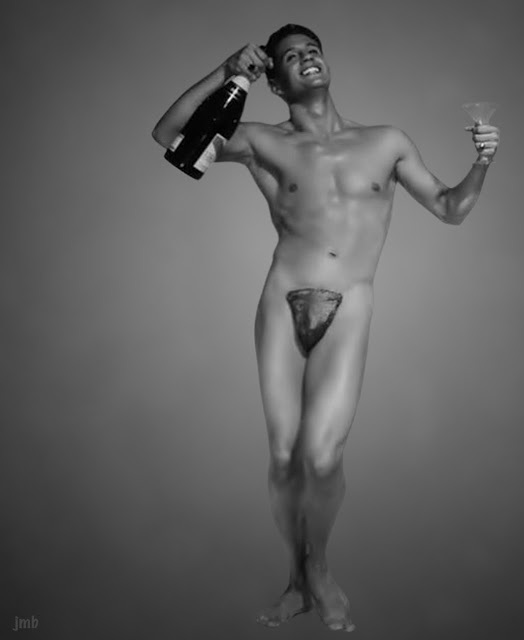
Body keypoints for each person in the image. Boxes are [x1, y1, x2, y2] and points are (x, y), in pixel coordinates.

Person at [151, 24, 500, 632]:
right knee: (284, 457)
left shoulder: (386, 141)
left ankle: (319, 569)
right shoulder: (260, 139)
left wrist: (483, 160)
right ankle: (297, 582)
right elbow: (168, 135)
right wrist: (225, 71)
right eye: (290, 57)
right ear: (276, 82)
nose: (306, 58)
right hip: (280, 298)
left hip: (350, 302)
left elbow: (451, 208)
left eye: (312, 50)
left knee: (321, 456)